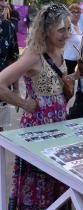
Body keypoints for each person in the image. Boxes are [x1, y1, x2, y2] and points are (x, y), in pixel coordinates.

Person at [0, 4, 79, 209]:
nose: (67, 34)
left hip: (59, 128)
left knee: (55, 181)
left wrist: (76, 76)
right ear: (46, 30)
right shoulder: (34, 55)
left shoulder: (59, 52)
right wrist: (24, 103)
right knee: (38, 182)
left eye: (69, 29)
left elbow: (53, 84)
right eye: (62, 29)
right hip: (38, 130)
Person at [0, 0, 19, 131]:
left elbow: (13, 60)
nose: (4, 5)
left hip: (2, 89)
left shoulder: (8, 27)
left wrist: (16, 89)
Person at [64, 3, 81, 75]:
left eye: (78, 12)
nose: (76, 14)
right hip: (67, 60)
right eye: (73, 12)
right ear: (69, 14)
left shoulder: (78, 25)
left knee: (71, 83)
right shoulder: (69, 26)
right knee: (67, 84)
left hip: (75, 61)